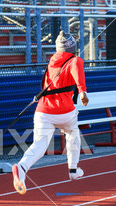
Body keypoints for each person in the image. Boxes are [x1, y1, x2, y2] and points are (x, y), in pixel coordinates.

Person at [12, 30, 89, 195]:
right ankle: (73, 170)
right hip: (64, 111)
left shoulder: (52, 61)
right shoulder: (75, 60)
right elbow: (77, 71)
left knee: (39, 145)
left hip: (43, 110)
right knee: (73, 132)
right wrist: (82, 92)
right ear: (73, 48)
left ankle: (21, 168)